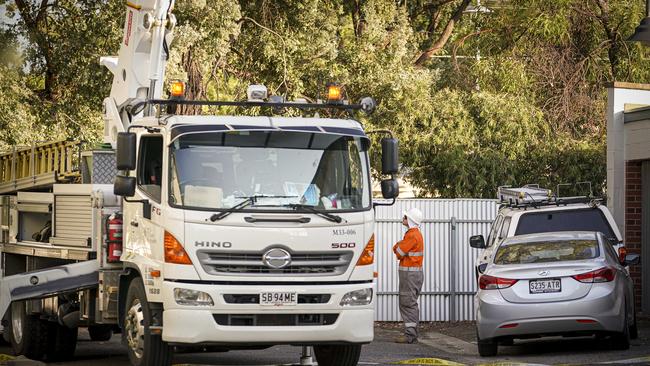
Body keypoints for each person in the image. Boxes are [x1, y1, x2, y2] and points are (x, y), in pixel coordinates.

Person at [392, 207, 424, 344]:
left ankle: (410, 335)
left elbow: (398, 251)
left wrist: (397, 245)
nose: (403, 218)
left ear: (410, 220)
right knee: (410, 303)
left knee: (407, 303)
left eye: (405, 217)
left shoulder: (412, 235)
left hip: (410, 275)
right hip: (413, 274)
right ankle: (412, 333)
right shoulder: (415, 234)